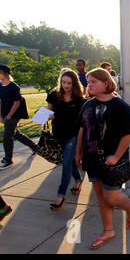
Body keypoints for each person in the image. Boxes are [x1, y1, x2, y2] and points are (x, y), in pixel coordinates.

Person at [75, 68, 130, 250]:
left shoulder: (120, 106)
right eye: (88, 82)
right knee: (101, 198)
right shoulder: (87, 105)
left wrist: (116, 156)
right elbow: (81, 130)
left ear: (106, 82)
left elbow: (128, 134)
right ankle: (108, 230)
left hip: (112, 161)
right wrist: (78, 153)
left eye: (94, 81)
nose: (90, 85)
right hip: (91, 160)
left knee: (111, 197)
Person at [47, 69, 86, 211]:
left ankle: (60, 195)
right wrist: (47, 115)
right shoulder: (53, 96)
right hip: (58, 133)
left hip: (74, 135)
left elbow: (82, 122)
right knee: (69, 161)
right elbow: (47, 113)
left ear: (74, 84)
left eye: (69, 83)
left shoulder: (80, 100)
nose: (66, 85)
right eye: (63, 82)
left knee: (66, 162)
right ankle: (78, 180)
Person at [0, 65, 38, 170]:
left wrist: (9, 115)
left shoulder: (14, 87)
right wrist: (1, 115)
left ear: (4, 73)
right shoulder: (0, 85)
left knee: (7, 136)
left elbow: (16, 103)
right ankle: (35, 147)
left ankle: (8, 160)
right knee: (16, 134)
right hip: (5, 114)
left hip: (14, 115)